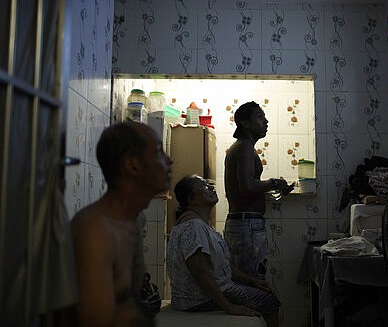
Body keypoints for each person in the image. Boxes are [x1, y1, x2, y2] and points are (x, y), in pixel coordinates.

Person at [70, 121, 173, 326]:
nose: (170, 160)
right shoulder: (96, 231)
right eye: (160, 152)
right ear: (132, 166)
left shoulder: (132, 221)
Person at [167, 175, 281, 327]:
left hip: (196, 298)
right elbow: (200, 272)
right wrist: (229, 306)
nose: (211, 188)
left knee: (263, 291)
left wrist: (252, 280)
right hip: (198, 300)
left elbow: (221, 265)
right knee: (269, 301)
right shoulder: (194, 227)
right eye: (205, 187)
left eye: (210, 184)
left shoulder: (198, 225)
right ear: (192, 200)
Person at [223, 101, 291, 280]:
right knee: (252, 281)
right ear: (245, 123)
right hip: (247, 226)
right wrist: (274, 182)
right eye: (260, 117)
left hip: (242, 223)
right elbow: (247, 187)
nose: (266, 121)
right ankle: (251, 309)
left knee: (245, 280)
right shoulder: (244, 147)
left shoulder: (240, 147)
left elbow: (246, 186)